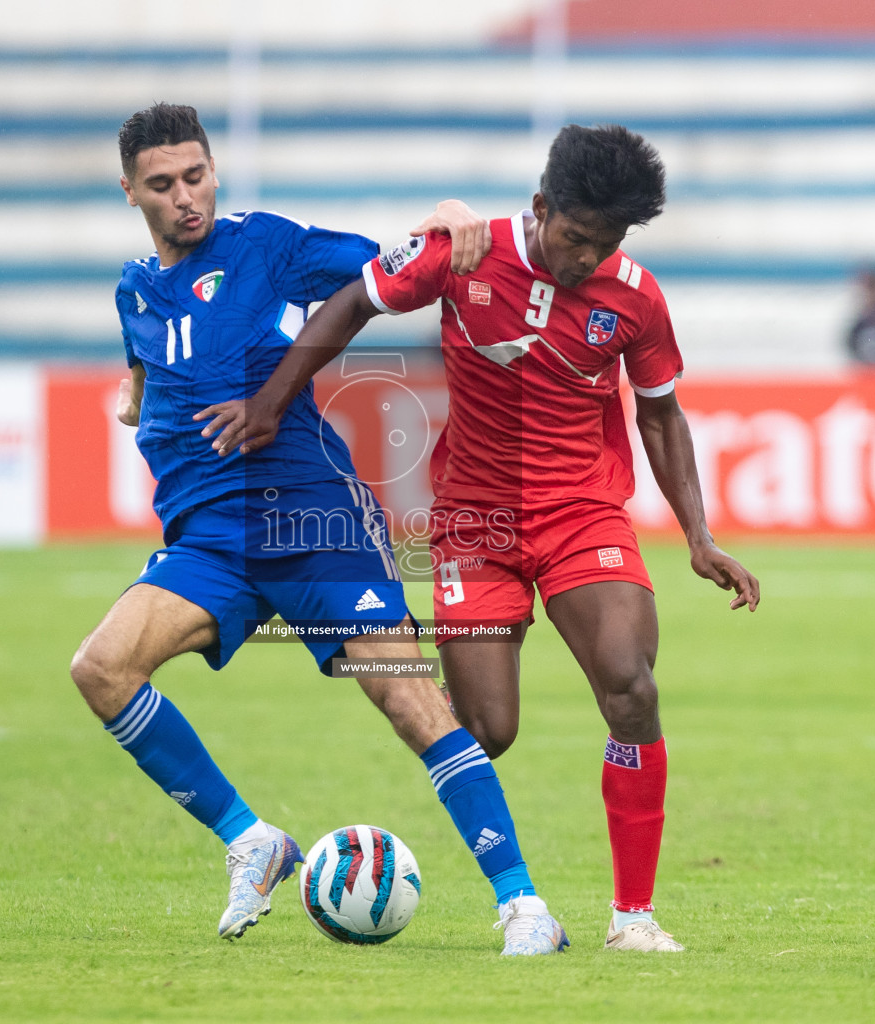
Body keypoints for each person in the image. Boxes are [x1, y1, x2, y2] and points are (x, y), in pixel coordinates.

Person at [201, 123, 761, 953]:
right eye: (573, 239)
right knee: (488, 729)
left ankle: (633, 919)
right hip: (477, 523)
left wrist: (699, 535)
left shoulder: (635, 295)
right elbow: (354, 298)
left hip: (583, 514)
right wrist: (275, 401)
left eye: (602, 246)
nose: (584, 260)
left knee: (629, 683)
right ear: (540, 208)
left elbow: (659, 411)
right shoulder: (465, 252)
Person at [68, 103, 568, 954]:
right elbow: (145, 365)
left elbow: (392, 268)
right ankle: (251, 840)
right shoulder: (132, 289)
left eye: (197, 176)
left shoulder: (267, 244)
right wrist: (135, 396)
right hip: (209, 543)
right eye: (163, 184)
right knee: (102, 669)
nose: (186, 196)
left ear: (214, 172)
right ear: (129, 192)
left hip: (314, 526)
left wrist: (448, 216)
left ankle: (524, 907)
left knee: (409, 702)